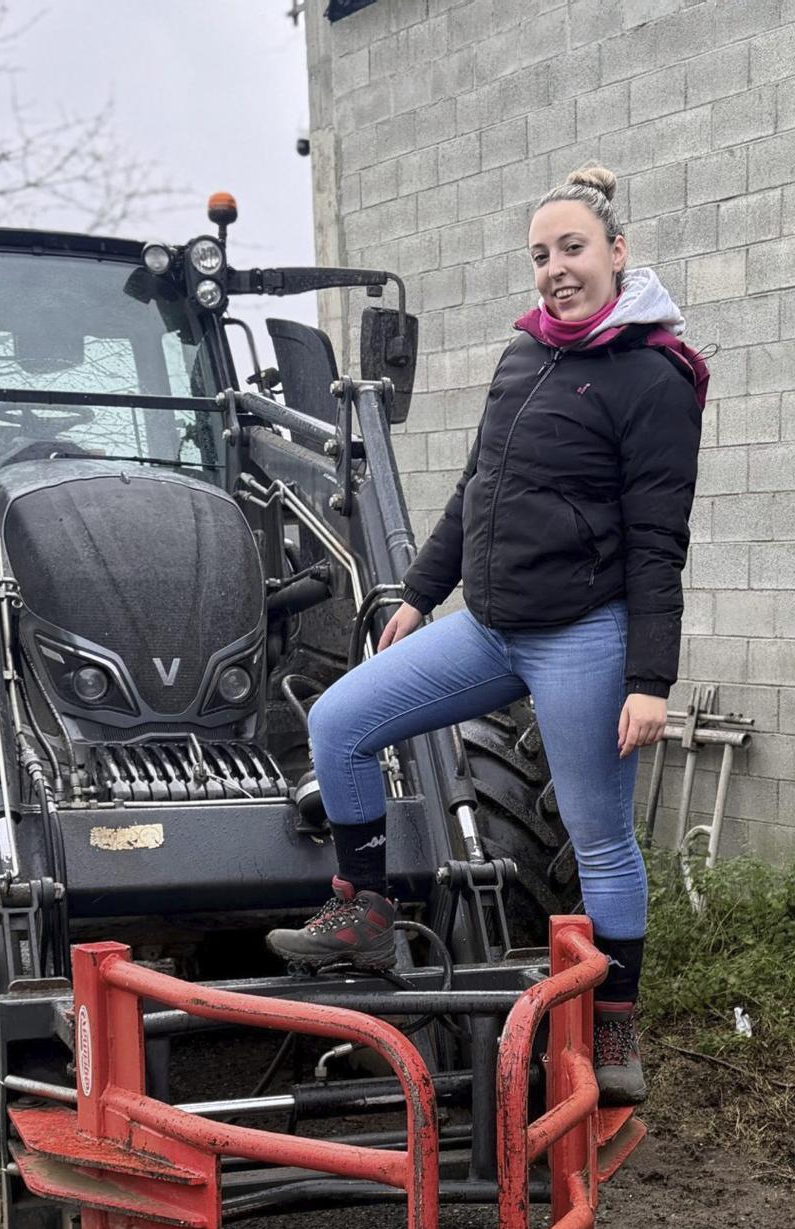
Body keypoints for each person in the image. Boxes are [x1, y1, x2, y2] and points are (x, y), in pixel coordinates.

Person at [267, 164, 709, 1106]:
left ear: (617, 252)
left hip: (585, 637)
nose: (555, 269)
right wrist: (419, 595)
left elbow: (658, 540)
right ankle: (366, 914)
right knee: (340, 723)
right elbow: (476, 488)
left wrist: (650, 679)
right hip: (491, 628)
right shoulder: (524, 355)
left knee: (599, 839)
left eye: (573, 249)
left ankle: (615, 1023)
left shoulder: (654, 375)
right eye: (541, 255)